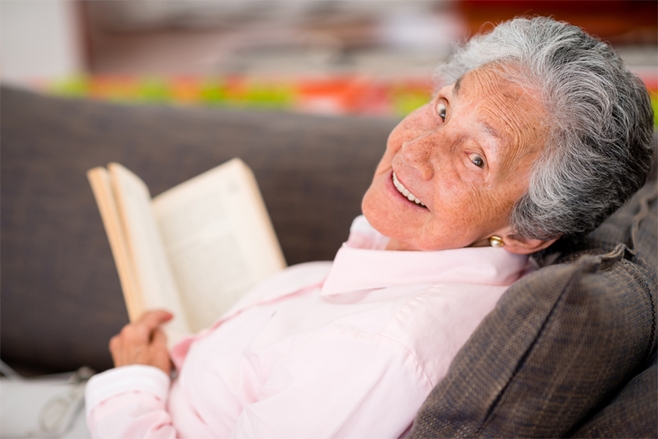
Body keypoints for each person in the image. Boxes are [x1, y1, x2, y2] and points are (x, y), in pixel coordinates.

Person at [85, 17, 654, 438]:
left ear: (529, 232)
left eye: (475, 157)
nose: (416, 150)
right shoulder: (429, 251)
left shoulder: (378, 351)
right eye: (441, 109)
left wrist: (134, 382)